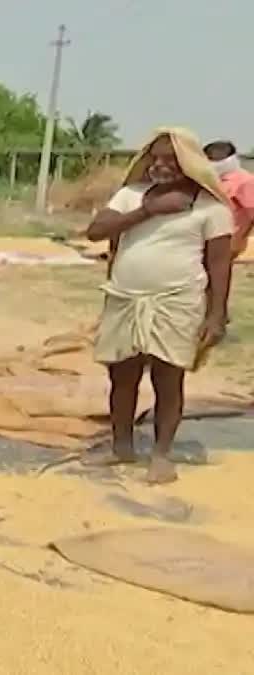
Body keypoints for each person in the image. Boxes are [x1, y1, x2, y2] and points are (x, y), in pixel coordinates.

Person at [84, 128, 232, 484]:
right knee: (122, 376)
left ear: (190, 164)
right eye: (156, 158)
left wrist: (215, 315)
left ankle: (162, 455)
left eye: (171, 159)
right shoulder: (130, 196)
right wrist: (149, 210)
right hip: (125, 298)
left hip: (176, 302)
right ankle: (121, 445)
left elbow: (219, 265)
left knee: (168, 378)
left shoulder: (211, 208)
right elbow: (96, 231)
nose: (161, 166)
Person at [203, 140, 254, 260]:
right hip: (204, 242)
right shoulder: (208, 182)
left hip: (228, 245)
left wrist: (239, 241)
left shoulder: (246, 182)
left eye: (217, 158)